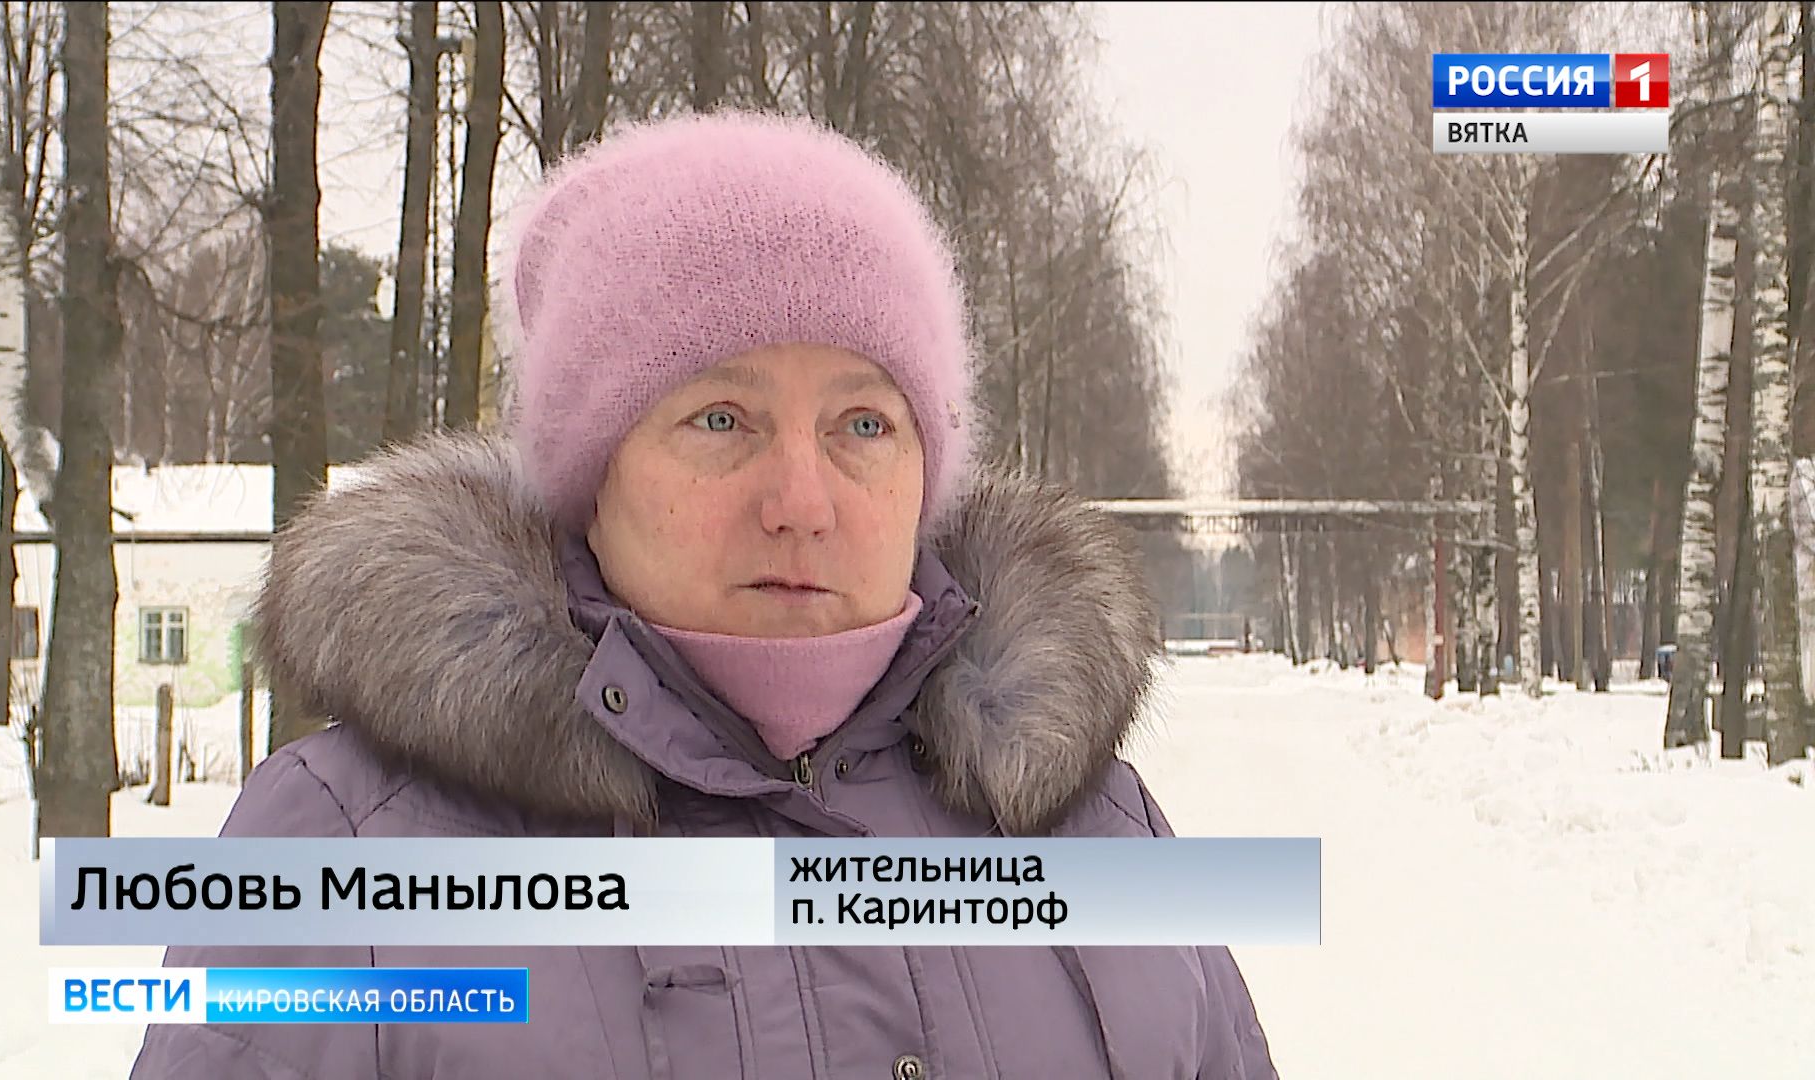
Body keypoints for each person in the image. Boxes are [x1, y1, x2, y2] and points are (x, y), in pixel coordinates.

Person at [131, 109, 1275, 1079]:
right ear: (592, 472)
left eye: (864, 424)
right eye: (721, 419)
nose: (802, 501)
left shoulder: (1096, 825)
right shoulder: (346, 845)